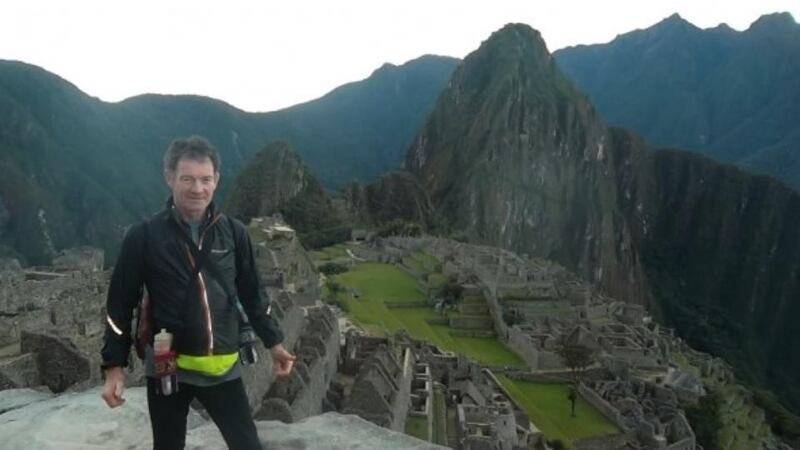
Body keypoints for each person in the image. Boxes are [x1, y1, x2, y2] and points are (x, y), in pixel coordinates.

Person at [100, 136, 295, 450]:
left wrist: (274, 342)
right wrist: (113, 367)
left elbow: (252, 294)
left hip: (223, 365)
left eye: (205, 179)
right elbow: (120, 305)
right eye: (187, 179)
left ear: (216, 180)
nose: (197, 188)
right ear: (169, 178)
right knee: (168, 445)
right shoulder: (145, 237)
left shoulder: (234, 233)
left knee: (246, 444)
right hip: (167, 363)